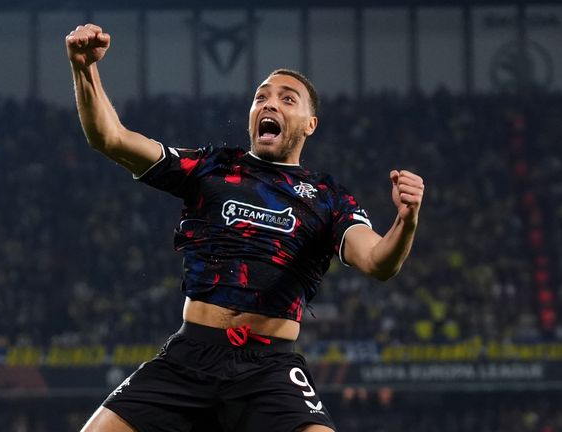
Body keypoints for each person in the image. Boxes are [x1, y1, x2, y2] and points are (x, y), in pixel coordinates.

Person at [66, 23, 424, 432]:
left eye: (287, 99)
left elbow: (379, 262)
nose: (270, 104)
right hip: (190, 357)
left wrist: (406, 220)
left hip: (268, 369)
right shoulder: (211, 168)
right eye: (261, 97)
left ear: (310, 124)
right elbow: (110, 138)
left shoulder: (327, 198)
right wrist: (83, 69)